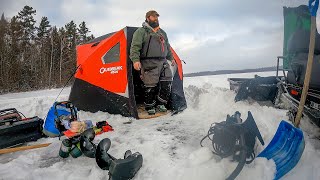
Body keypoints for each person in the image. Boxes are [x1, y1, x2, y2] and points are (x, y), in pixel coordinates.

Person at [130, 10, 175, 115]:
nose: (156, 19)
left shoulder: (162, 32)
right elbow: (135, 47)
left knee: (167, 81)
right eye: (153, 17)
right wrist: (135, 60)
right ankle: (149, 106)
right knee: (150, 85)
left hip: (163, 61)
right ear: (147, 18)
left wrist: (171, 58)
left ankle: (161, 104)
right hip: (148, 62)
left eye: (156, 17)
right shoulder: (141, 32)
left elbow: (167, 47)